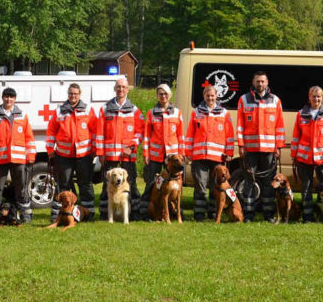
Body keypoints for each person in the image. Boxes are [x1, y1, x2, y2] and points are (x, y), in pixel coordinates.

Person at [0, 87, 37, 225]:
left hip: (19, 159)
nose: (9, 99)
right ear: (2, 98)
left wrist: (31, 154)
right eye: (6, 96)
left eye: (11, 97)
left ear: (15, 99)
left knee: (21, 187)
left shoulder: (22, 115)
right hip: (0, 159)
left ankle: (25, 214)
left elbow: (29, 137)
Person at [236, 71, 285, 223]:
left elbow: (279, 126)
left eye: (263, 81)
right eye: (258, 81)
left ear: (267, 82)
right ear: (253, 82)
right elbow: (240, 124)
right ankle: (248, 215)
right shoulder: (244, 100)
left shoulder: (275, 100)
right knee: (250, 182)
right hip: (250, 149)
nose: (260, 84)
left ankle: (268, 215)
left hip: (269, 150)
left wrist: (278, 147)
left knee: (268, 183)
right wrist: (241, 145)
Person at [46, 83, 97, 222]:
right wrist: (50, 150)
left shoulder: (88, 110)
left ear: (80, 94)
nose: (73, 96)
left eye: (75, 94)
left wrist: (95, 150)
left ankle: (88, 214)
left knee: (85, 184)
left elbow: (95, 131)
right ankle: (57, 215)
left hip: (84, 155)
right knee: (63, 185)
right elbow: (51, 132)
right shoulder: (59, 111)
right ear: (67, 95)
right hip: (64, 156)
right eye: (70, 94)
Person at [96, 78, 144, 221]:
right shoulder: (105, 109)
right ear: (114, 89)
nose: (121, 89)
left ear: (127, 90)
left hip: (127, 156)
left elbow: (140, 131)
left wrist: (132, 147)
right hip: (109, 156)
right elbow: (99, 132)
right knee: (107, 184)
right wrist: (100, 153)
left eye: (123, 87)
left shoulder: (134, 110)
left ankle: (134, 213)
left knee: (131, 185)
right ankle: (105, 214)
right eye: (118, 87)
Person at [185, 85, 234, 221]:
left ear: (216, 96)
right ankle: (199, 215)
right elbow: (190, 134)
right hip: (199, 156)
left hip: (217, 157)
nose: (210, 98)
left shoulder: (224, 113)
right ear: (204, 96)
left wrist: (229, 152)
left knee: (215, 188)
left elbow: (229, 135)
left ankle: (213, 213)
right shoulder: (196, 112)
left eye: (212, 96)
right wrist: (188, 152)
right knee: (200, 186)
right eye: (208, 95)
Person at [291, 86, 323, 223]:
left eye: (319, 97)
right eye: (314, 96)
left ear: (322, 98)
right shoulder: (301, 114)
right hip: (304, 158)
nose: (316, 99)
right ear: (309, 97)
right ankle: (307, 217)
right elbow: (296, 136)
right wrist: (294, 155)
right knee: (306, 188)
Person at [140, 84, 185, 220]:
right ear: (157, 96)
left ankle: (177, 213)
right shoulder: (151, 113)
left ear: (170, 95)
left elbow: (181, 136)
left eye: (165, 94)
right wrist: (146, 154)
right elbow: (147, 135)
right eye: (160, 94)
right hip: (155, 155)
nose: (163, 96)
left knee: (176, 186)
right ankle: (145, 212)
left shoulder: (177, 113)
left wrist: (182, 155)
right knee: (151, 184)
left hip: (172, 157)